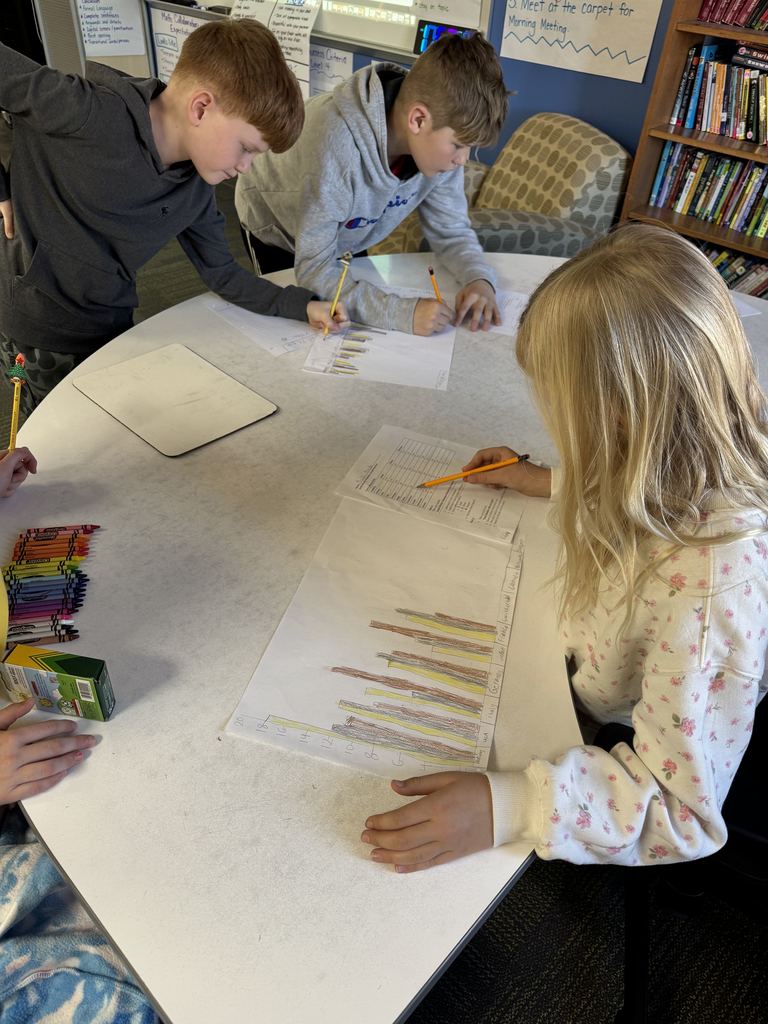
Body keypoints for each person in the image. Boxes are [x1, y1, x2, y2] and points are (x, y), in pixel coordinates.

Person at [359, 223, 768, 871]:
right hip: (581, 659)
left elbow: (680, 809)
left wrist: (507, 808)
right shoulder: (683, 442)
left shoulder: (712, 579)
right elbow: (634, 479)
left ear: (628, 412)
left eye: (566, 411)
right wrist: (545, 480)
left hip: (621, 723)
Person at [0, 19, 346, 417]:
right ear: (201, 107)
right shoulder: (85, 111)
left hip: (111, 326)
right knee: (41, 442)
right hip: (33, 332)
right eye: (246, 148)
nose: (247, 168)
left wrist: (300, 306)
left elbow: (223, 274)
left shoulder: (196, 190)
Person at [235, 32, 508, 337]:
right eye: (458, 145)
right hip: (277, 226)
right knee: (291, 328)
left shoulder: (440, 139)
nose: (463, 160)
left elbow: (452, 231)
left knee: (352, 326)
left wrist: (478, 280)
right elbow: (313, 270)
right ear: (418, 120)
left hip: (347, 230)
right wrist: (402, 312)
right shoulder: (336, 145)